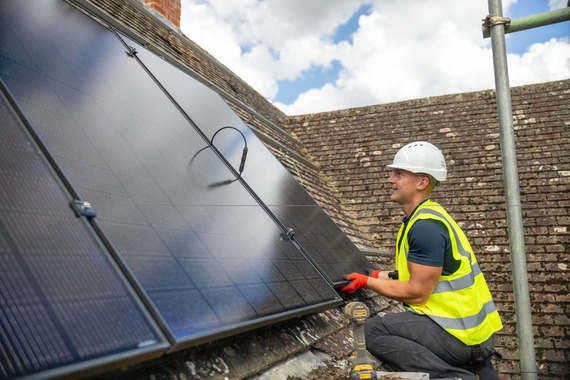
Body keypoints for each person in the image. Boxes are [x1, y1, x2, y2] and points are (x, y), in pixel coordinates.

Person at [341, 141, 503, 379]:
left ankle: (451, 377)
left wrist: (368, 282)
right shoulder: (428, 217)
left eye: (399, 173)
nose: (390, 179)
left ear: (421, 182)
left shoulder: (425, 226)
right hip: (475, 337)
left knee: (371, 330)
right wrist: (376, 275)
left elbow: (417, 292)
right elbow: (417, 274)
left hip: (459, 337)